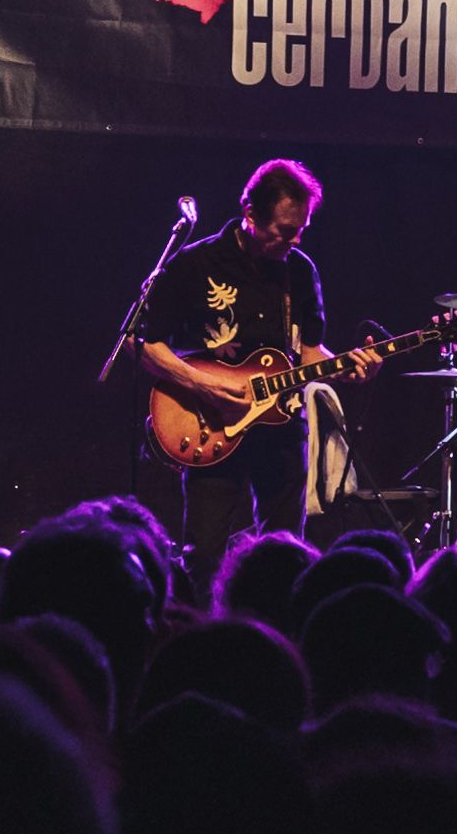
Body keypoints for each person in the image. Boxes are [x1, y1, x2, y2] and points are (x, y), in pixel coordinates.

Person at [120, 160, 340, 549]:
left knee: (285, 549)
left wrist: (347, 367)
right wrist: (204, 386)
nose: (295, 241)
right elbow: (140, 342)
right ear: (250, 213)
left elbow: (308, 353)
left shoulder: (300, 272)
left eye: (302, 231)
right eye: (285, 231)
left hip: (282, 427)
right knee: (205, 549)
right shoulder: (195, 263)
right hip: (211, 424)